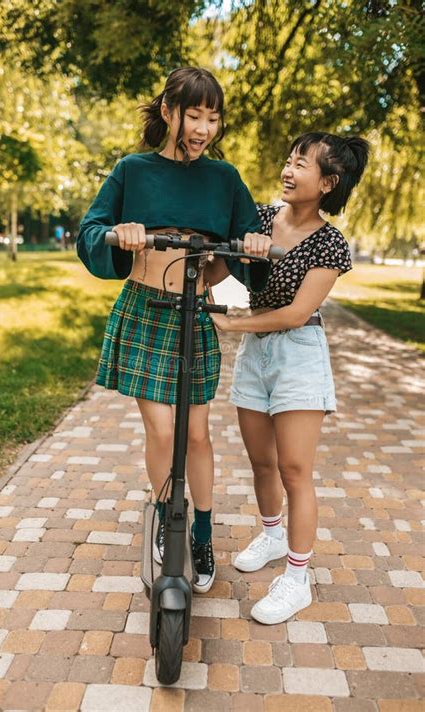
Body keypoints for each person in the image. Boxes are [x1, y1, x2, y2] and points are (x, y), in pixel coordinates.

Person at [77, 67, 271, 594]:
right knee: (163, 431)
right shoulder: (132, 171)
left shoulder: (224, 179)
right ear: (168, 112)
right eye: (194, 115)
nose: (204, 128)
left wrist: (249, 248)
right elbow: (89, 232)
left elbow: (250, 241)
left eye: (213, 118)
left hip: (195, 314)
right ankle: (169, 515)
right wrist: (120, 234)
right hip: (144, 311)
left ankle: (203, 533)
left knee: (198, 433)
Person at [206, 131, 369, 620]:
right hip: (257, 351)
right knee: (261, 463)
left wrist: (234, 322)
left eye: (303, 164)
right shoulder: (258, 217)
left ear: (328, 182)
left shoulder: (329, 244)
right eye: (290, 159)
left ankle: (297, 579)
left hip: (298, 352)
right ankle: (273, 534)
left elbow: (297, 314)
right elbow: (217, 267)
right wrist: (231, 254)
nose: (289, 169)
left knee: (295, 470)